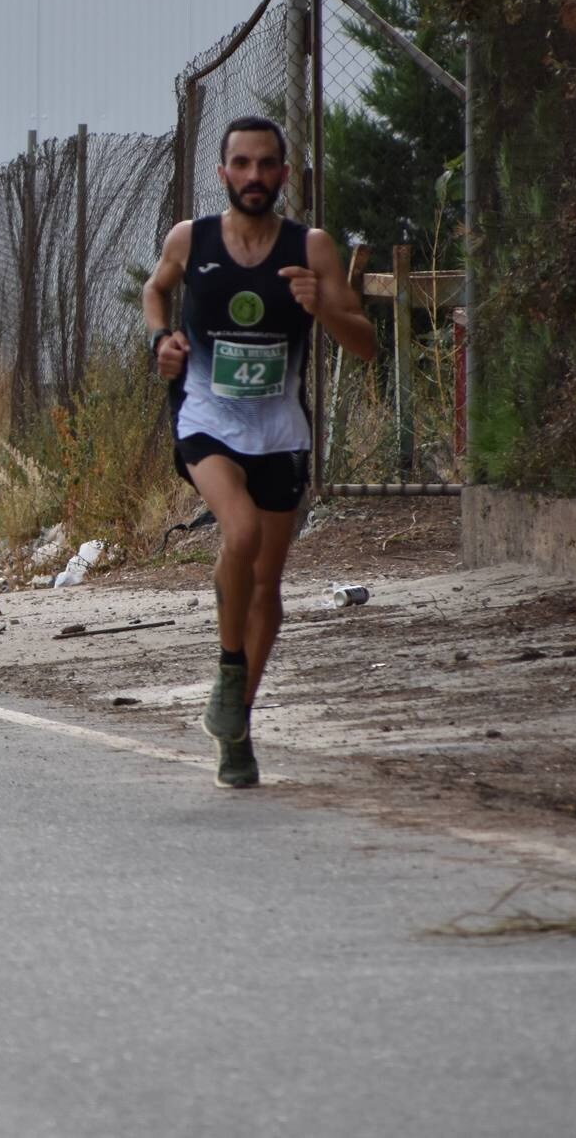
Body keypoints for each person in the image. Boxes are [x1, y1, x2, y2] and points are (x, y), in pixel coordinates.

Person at [142, 115, 377, 789]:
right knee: (237, 530)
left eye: (265, 164)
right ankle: (225, 668)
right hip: (205, 416)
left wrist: (321, 308)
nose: (252, 176)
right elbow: (156, 289)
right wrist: (160, 341)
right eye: (239, 164)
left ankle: (236, 722)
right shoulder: (192, 239)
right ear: (222, 174)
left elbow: (364, 344)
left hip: (278, 430)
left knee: (267, 584)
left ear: (282, 174)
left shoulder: (312, 247)